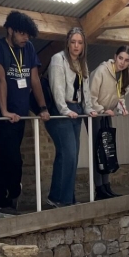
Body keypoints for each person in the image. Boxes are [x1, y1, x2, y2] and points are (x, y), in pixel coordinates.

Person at [0, 10, 51, 218]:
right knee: (10, 155)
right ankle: (5, 197)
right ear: (10, 30)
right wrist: (5, 110)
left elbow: (34, 79)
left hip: (20, 113)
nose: (25, 38)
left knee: (9, 156)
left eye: (28, 35)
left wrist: (42, 108)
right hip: (0, 112)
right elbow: (0, 79)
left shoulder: (29, 48)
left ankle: (6, 200)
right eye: (22, 34)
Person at [44, 26, 88, 208]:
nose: (76, 46)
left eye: (80, 42)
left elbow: (85, 88)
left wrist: (88, 109)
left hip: (76, 108)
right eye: (73, 42)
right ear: (67, 43)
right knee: (67, 153)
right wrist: (64, 109)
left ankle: (66, 196)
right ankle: (58, 197)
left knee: (73, 154)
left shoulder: (82, 63)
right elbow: (57, 87)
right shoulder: (58, 59)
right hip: (61, 109)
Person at [86, 44, 129, 200]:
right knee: (98, 150)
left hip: (107, 115)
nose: (122, 62)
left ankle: (106, 186)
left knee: (107, 149)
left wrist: (122, 109)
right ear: (115, 56)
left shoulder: (123, 75)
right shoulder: (102, 71)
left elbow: (119, 97)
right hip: (95, 114)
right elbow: (90, 97)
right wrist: (102, 110)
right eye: (120, 58)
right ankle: (99, 189)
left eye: (126, 60)